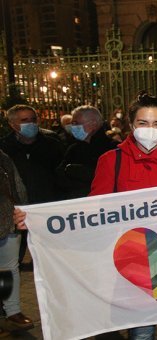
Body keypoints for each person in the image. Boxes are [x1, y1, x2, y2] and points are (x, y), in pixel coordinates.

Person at [90, 92, 157, 339]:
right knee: (142, 330)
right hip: (135, 258)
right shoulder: (112, 160)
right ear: (131, 125)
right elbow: (93, 211)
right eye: (143, 123)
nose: (150, 129)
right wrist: (38, 220)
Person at [0, 104, 64, 269]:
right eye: (24, 120)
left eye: (33, 119)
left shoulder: (52, 144)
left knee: (53, 260)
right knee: (12, 263)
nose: (31, 123)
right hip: (17, 213)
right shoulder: (4, 149)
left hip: (48, 210)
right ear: (12, 124)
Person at [0, 150, 34, 332]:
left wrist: (23, 212)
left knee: (10, 268)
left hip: (8, 220)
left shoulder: (3, 156)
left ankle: (13, 312)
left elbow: (18, 186)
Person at [56, 105, 119, 198]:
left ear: (93, 124)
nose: (72, 127)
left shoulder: (113, 148)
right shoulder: (73, 149)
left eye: (76, 123)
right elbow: (59, 179)